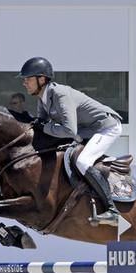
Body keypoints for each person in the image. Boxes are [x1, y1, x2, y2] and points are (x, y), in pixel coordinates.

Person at [16, 56, 121, 227]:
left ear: (41, 79)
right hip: (87, 130)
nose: (24, 83)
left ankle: (112, 211)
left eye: (27, 79)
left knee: (83, 161)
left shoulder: (60, 95)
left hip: (106, 127)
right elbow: (40, 125)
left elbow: (68, 131)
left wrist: (44, 127)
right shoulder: (43, 98)